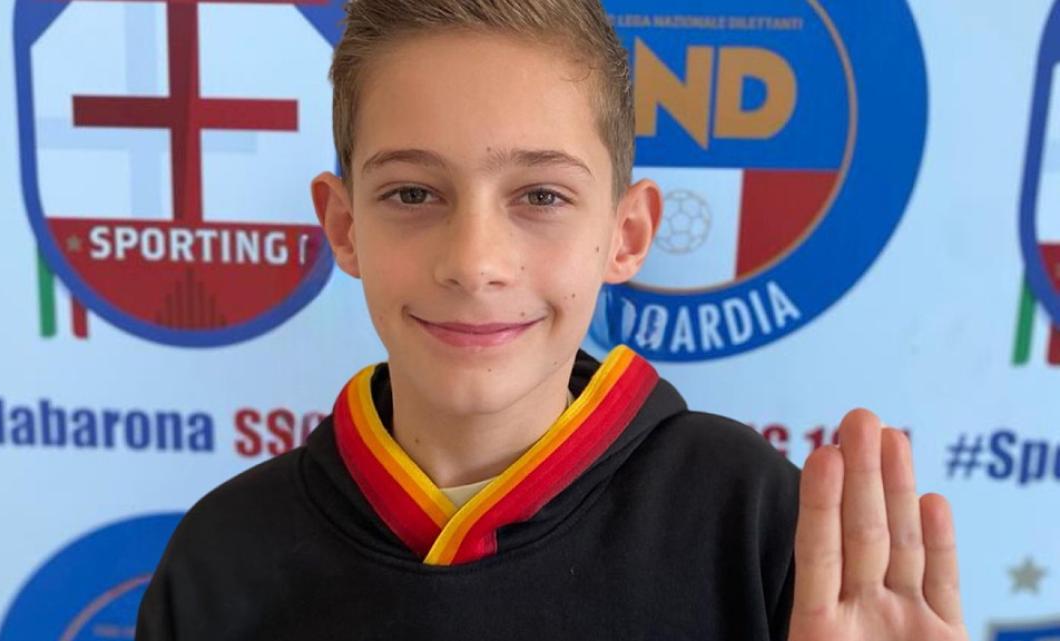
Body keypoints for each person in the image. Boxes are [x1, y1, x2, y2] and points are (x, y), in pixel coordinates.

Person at [136, 1, 966, 639]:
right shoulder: (224, 558)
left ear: (626, 233)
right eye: (413, 193)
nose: (475, 262)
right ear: (346, 226)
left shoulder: (752, 522)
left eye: (541, 195)